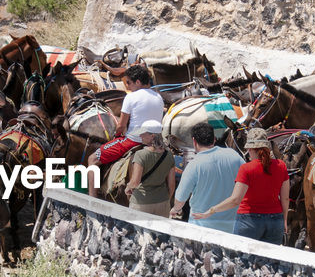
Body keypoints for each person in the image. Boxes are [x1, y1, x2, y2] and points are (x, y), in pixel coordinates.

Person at [192, 128, 289, 245]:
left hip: (249, 221)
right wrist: (284, 220)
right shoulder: (281, 166)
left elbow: (235, 200)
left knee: (243, 260)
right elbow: (285, 198)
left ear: (249, 148)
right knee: (270, 262)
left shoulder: (246, 169)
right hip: (275, 221)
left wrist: (211, 211)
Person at [88, 65, 165, 194]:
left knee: (92, 159)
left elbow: (121, 126)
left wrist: (116, 135)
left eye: (128, 83)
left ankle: (92, 198)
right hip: (156, 141)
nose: (127, 86)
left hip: (134, 141)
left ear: (138, 82)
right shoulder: (159, 97)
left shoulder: (130, 97)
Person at [171, 123, 244, 232]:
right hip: (232, 226)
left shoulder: (194, 165)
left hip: (202, 228)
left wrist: (175, 209)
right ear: (214, 139)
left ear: (194, 142)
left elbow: (180, 199)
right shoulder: (234, 155)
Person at [124, 120, 177, 217]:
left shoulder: (140, 154)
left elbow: (135, 182)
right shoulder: (169, 154)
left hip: (141, 202)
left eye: (143, 134)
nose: (140, 136)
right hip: (162, 202)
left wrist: (128, 187)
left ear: (152, 136)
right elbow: (171, 185)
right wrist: (166, 199)